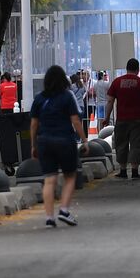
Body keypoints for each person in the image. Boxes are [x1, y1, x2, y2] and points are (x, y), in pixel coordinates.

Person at [30, 64, 84, 228]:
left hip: (44, 141)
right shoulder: (67, 97)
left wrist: (33, 145)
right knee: (70, 176)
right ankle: (64, 210)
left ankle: (49, 217)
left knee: (49, 179)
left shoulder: (39, 98)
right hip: (65, 140)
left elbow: (33, 124)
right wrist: (84, 139)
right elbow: (75, 120)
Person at [106, 58, 140, 179]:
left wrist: (107, 117)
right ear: (137, 69)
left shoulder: (117, 82)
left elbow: (110, 101)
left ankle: (123, 171)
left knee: (121, 144)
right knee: (136, 144)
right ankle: (135, 171)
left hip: (122, 119)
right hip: (137, 120)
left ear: (127, 68)